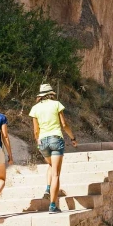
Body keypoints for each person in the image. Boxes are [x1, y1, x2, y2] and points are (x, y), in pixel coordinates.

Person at [28, 84, 77, 213]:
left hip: (43, 141)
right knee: (56, 173)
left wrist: (38, 142)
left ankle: (48, 188)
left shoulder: (35, 108)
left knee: (51, 165)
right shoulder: (56, 104)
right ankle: (53, 206)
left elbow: (35, 130)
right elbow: (64, 124)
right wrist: (72, 137)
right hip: (56, 138)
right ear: (51, 94)